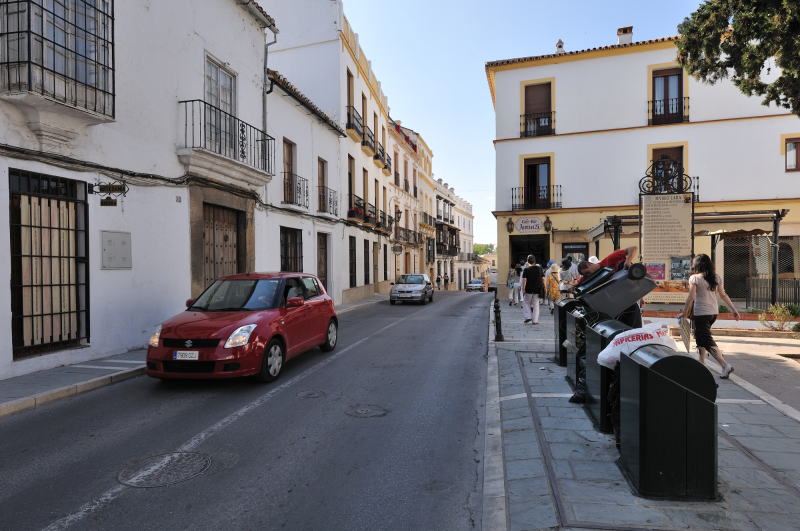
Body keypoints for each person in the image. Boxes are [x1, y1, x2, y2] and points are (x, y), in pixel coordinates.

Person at [680, 254, 740, 378]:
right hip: (713, 313)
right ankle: (701, 363)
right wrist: (734, 309)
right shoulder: (716, 277)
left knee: (706, 339)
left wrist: (684, 313)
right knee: (700, 336)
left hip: (700, 313)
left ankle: (725, 365)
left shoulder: (694, 278)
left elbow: (691, 297)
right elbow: (723, 295)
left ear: (697, 265)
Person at [577, 246, 642, 328]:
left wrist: (628, 261)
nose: (588, 275)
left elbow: (633, 248)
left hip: (628, 303)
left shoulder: (609, 260)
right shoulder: (589, 276)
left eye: (588, 272)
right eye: (586, 274)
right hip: (613, 307)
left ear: (589, 264)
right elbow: (579, 283)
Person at [520, 254, 544, 324]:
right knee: (536, 304)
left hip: (529, 289)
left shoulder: (526, 269)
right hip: (537, 289)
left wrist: (523, 289)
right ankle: (535, 320)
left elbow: (524, 280)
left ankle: (528, 317)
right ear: (534, 261)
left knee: (526, 303)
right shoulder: (539, 268)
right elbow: (543, 279)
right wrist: (544, 287)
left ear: (527, 261)